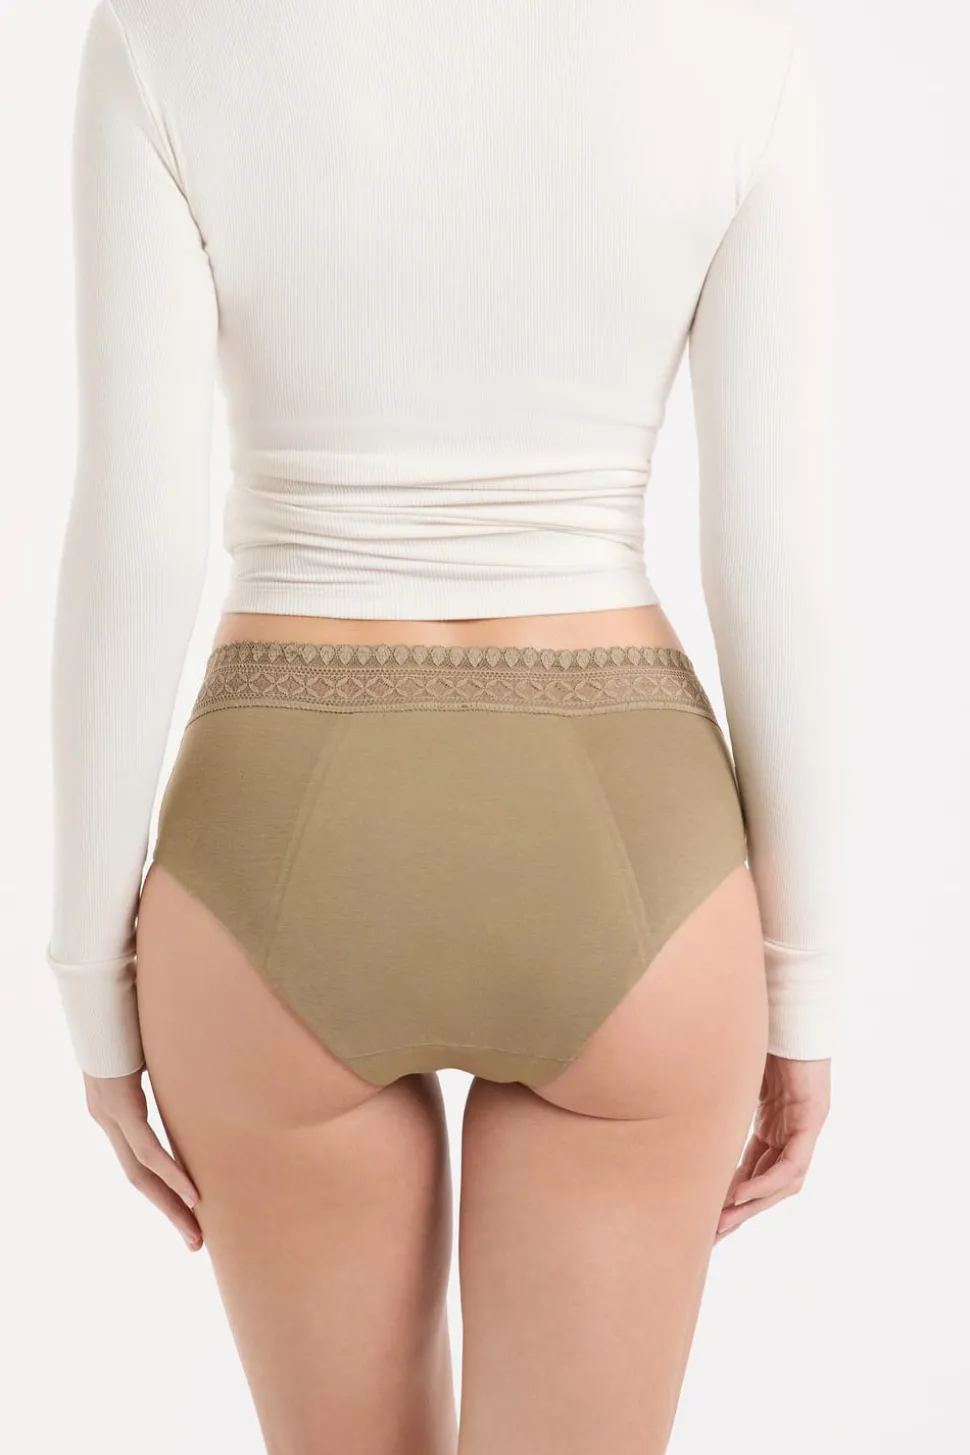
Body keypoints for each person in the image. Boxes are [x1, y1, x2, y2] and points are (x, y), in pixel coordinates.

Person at [46, 0, 846, 1450]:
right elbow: (774, 556)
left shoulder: (163, 30)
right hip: (629, 850)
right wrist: (805, 992)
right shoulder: (735, 41)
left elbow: (134, 534)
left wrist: (94, 989)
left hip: (275, 836)